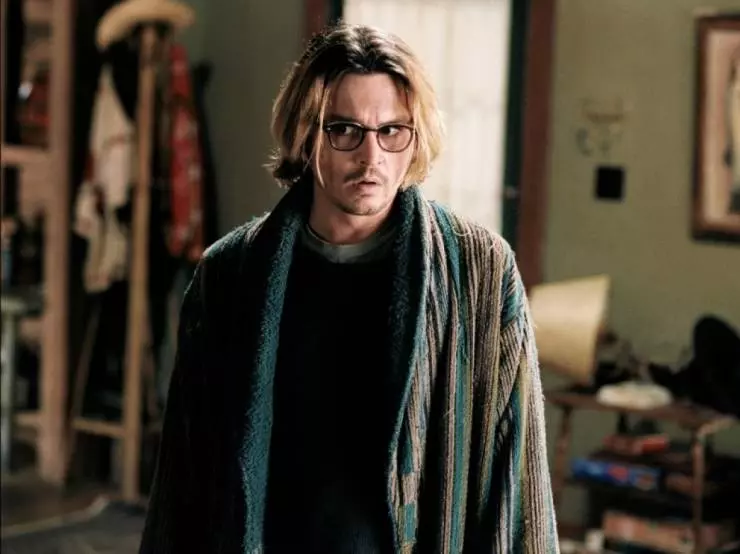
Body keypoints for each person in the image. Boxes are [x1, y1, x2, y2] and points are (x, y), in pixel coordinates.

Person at [139, 22, 558, 554]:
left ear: (415, 137)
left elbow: (518, 485)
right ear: (306, 133)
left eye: (392, 131)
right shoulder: (230, 274)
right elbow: (183, 478)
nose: (371, 156)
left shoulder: (480, 271)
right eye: (345, 130)